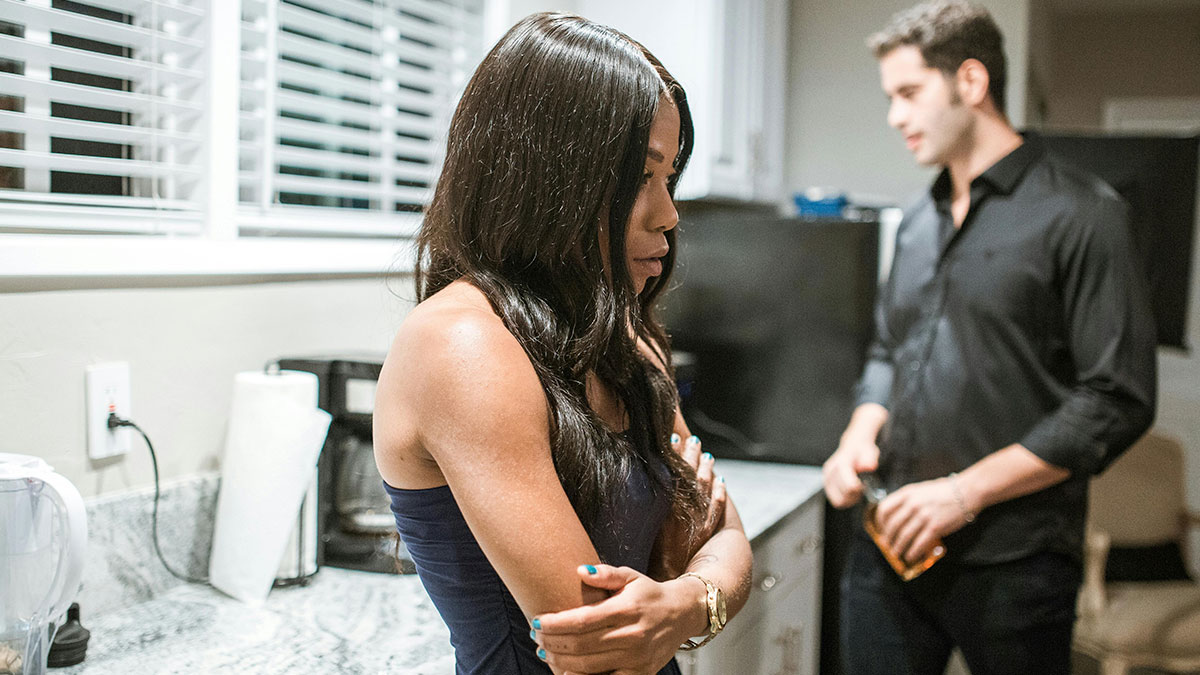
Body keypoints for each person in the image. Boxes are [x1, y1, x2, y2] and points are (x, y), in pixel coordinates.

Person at [373, 12, 753, 675]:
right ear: (553, 176)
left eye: (671, 178)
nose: (669, 212)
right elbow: (598, 647)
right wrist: (690, 580)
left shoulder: (623, 339)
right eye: (642, 175)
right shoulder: (462, 343)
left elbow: (728, 537)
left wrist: (687, 601)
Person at [822, 2, 1157, 674]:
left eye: (910, 94)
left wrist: (963, 492)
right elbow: (891, 348)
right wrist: (860, 431)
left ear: (970, 82)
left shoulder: (1084, 213)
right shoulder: (919, 222)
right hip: (891, 544)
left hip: (1016, 562)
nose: (895, 117)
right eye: (892, 97)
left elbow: (1115, 398)